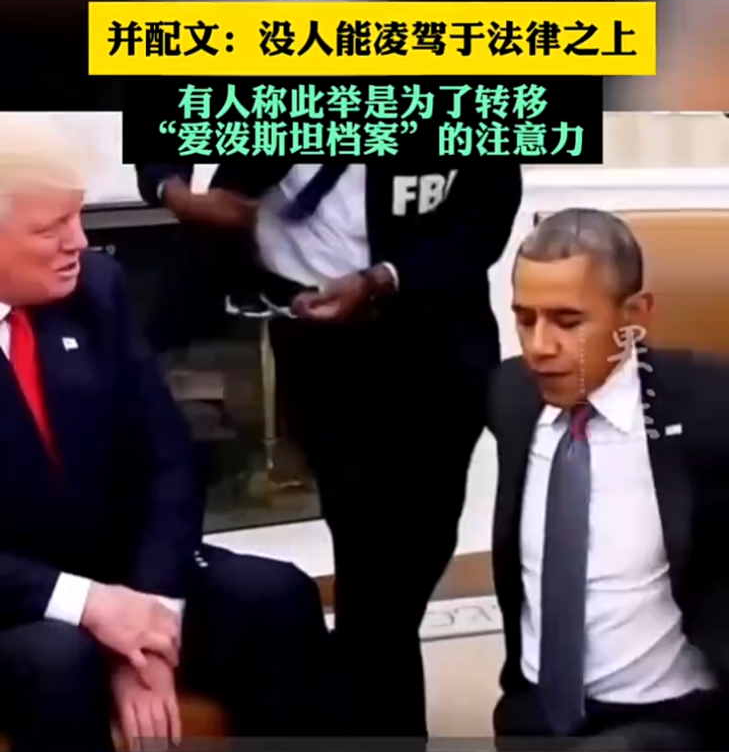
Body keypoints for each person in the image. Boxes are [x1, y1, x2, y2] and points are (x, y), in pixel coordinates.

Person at [137, 157, 523, 736]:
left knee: (404, 563)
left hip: (433, 350)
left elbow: (487, 216)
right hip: (313, 344)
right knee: (372, 574)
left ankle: (346, 702)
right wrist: (175, 192)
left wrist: (384, 279)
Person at [0, 121, 335, 752]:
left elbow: (167, 459)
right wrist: (90, 605)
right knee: (57, 660)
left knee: (276, 597)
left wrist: (152, 621)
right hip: (16, 604)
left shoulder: (95, 290)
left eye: (78, 216)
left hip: (122, 574)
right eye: (51, 228)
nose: (80, 242)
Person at [489, 208, 729, 751]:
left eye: (568, 321)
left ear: (634, 315)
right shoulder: (511, 394)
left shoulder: (708, 403)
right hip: (532, 714)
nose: (539, 345)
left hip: (667, 719)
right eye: (525, 319)